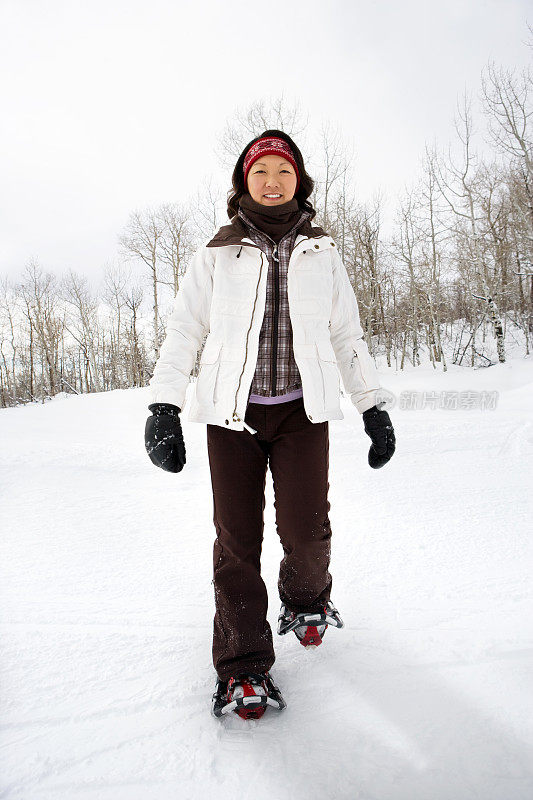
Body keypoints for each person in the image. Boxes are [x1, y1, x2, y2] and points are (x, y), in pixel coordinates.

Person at [144, 130, 396, 720]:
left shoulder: (323, 252)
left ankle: (306, 600)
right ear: (243, 184)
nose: (273, 181)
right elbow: (185, 331)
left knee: (307, 533)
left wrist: (372, 406)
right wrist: (164, 406)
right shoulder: (216, 253)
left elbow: (345, 336)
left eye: (284, 171)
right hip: (231, 416)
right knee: (236, 543)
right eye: (261, 172)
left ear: (300, 182)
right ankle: (242, 667)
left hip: (301, 412)